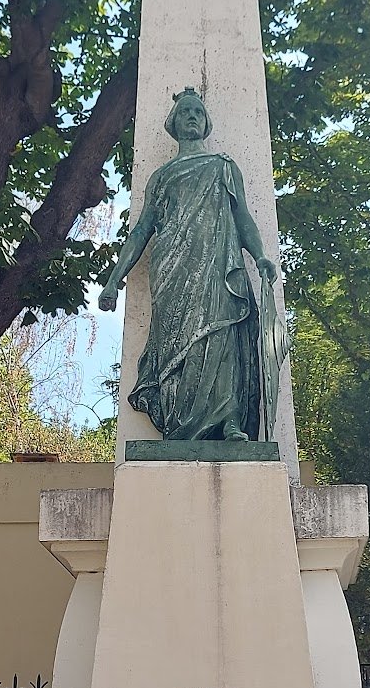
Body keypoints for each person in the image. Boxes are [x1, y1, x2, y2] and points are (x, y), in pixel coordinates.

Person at [98, 87, 277, 441]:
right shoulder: (162, 177)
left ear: (206, 122)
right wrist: (113, 281)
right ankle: (179, 426)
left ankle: (229, 423)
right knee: (176, 347)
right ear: (174, 124)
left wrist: (260, 256)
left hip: (217, 265)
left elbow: (242, 218)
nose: (192, 116)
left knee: (221, 335)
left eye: (198, 111)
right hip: (172, 272)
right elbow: (141, 232)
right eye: (185, 112)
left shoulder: (223, 167)